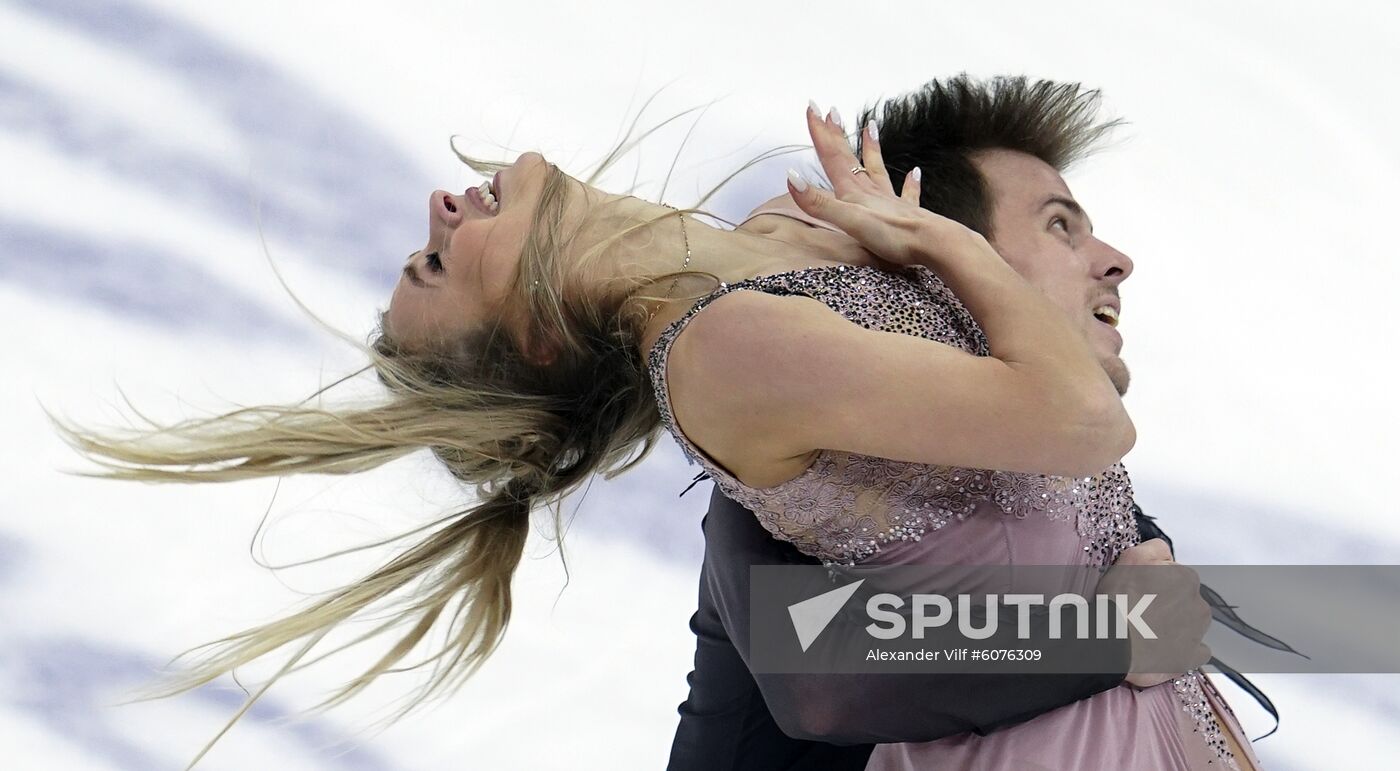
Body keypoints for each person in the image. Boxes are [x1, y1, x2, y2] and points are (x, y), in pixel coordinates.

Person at [60, 76, 1255, 768]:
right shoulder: (721, 354)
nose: (434, 201)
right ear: (533, 334)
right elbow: (823, 676)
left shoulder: (779, 251)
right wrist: (939, 240)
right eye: (437, 258)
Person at [666, 77, 1259, 771]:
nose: (1115, 261)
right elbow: (817, 679)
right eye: (1060, 226)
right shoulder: (810, 450)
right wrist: (1105, 635)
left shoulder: (1076, 484)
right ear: (945, 259)